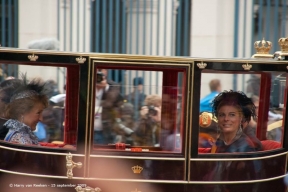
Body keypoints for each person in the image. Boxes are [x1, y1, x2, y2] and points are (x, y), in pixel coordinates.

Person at [3, 77, 48, 145]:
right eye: (38, 113)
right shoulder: (18, 138)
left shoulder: (23, 135)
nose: (41, 118)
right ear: (22, 112)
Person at [94, 69, 124, 144]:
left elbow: (110, 102)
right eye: (97, 70)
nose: (98, 73)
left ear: (106, 71)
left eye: (101, 70)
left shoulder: (112, 86)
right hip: (87, 132)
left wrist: (105, 88)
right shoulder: (86, 83)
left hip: (105, 132)